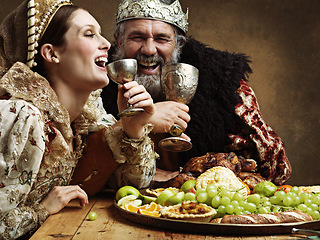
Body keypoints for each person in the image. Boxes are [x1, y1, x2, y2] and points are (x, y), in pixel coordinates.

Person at [0, 0, 158, 239]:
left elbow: (135, 188)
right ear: (52, 53)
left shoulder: (82, 120)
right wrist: (43, 210)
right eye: (89, 34)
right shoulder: (23, 116)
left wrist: (133, 127)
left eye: (101, 35)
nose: (106, 44)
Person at [101, 0, 292, 186]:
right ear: (119, 41)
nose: (149, 50)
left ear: (178, 44)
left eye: (162, 39)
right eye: (137, 37)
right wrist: (138, 122)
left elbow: (276, 168)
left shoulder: (223, 83)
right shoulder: (95, 82)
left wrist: (194, 176)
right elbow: (77, 166)